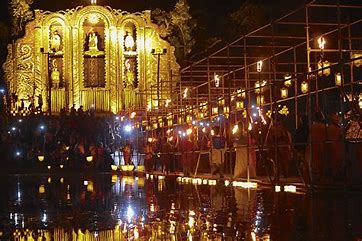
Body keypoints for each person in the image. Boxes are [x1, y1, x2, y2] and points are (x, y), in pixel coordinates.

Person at [305, 112, 327, 183]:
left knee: (313, 162)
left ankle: (313, 177)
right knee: (321, 161)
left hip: (313, 145)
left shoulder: (312, 127)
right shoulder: (324, 126)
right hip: (321, 145)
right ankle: (320, 177)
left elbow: (309, 137)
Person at [326, 113, 344, 180]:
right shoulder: (339, 129)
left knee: (332, 161)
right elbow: (341, 136)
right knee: (337, 161)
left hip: (330, 145)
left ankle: (333, 175)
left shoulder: (329, 128)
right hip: (337, 146)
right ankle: (336, 175)